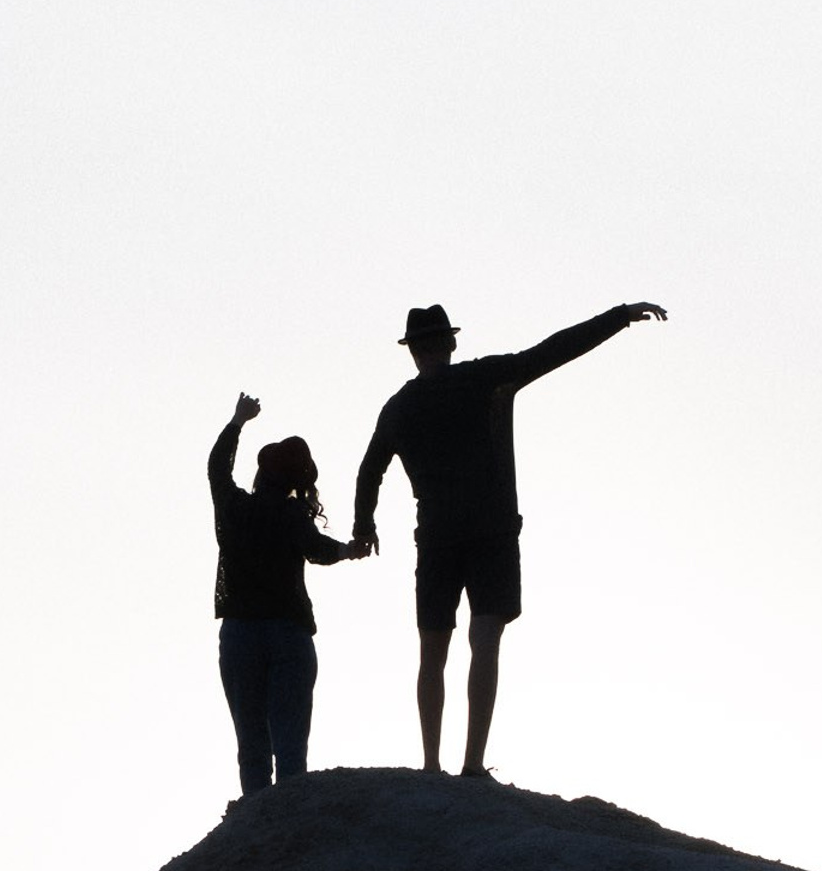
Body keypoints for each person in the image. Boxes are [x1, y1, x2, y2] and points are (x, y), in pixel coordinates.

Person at [352, 300, 667, 777]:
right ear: (451, 342)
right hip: (492, 529)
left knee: (432, 651)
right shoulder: (485, 379)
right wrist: (620, 316)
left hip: (436, 534)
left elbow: (369, 471)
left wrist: (364, 525)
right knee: (485, 640)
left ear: (412, 352)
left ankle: (432, 764)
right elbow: (552, 351)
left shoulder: (399, 407)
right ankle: (473, 763)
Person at [209, 393, 364, 797]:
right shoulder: (293, 516)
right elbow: (318, 550)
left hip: (240, 632)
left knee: (252, 747)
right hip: (288, 633)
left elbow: (216, 470)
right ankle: (290, 826)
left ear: (261, 475)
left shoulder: (235, 509)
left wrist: (237, 422)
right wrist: (348, 550)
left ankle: (257, 831)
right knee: (291, 750)